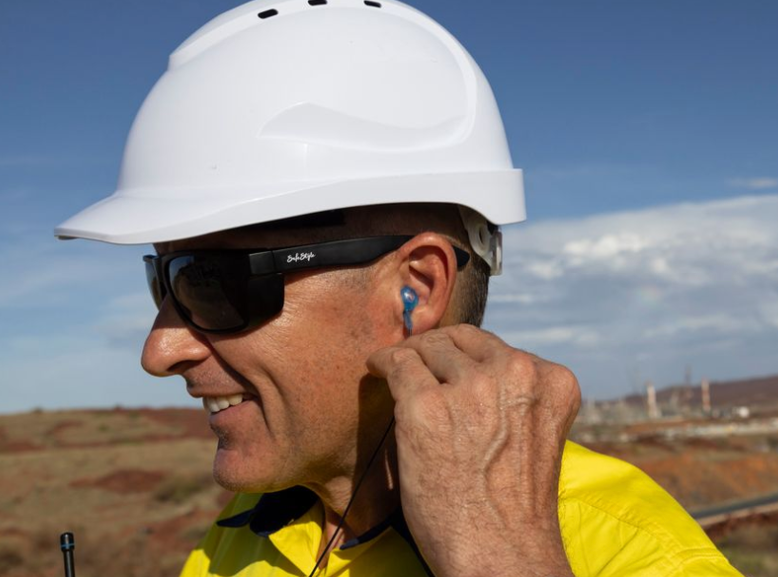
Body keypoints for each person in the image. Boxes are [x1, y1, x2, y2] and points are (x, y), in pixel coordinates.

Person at [56, 1, 743, 575]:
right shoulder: (244, 535)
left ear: (413, 290)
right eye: (162, 280)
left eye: (209, 282)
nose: (159, 351)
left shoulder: (629, 552)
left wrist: (499, 560)